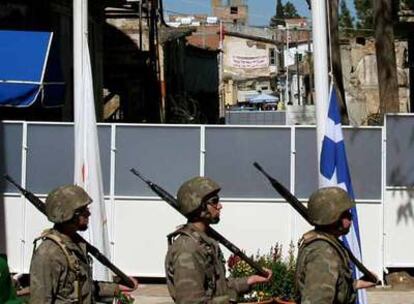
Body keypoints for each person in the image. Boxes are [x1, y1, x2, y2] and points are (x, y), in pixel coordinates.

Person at [165, 176, 272, 303]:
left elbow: (217, 287)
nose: (220, 206)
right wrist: (231, 298)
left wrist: (249, 280)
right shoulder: (188, 249)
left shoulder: (205, 242)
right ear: (199, 206)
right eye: (214, 201)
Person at [29, 185, 138, 304]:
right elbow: (40, 300)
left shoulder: (75, 245)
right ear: (69, 214)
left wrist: (116, 288)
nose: (88, 214)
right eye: (83, 211)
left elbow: (84, 288)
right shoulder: (49, 254)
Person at [295, 187, 376, 304]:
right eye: (346, 214)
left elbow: (332, 285)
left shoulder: (326, 243)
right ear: (334, 218)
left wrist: (355, 284)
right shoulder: (322, 254)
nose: (351, 218)